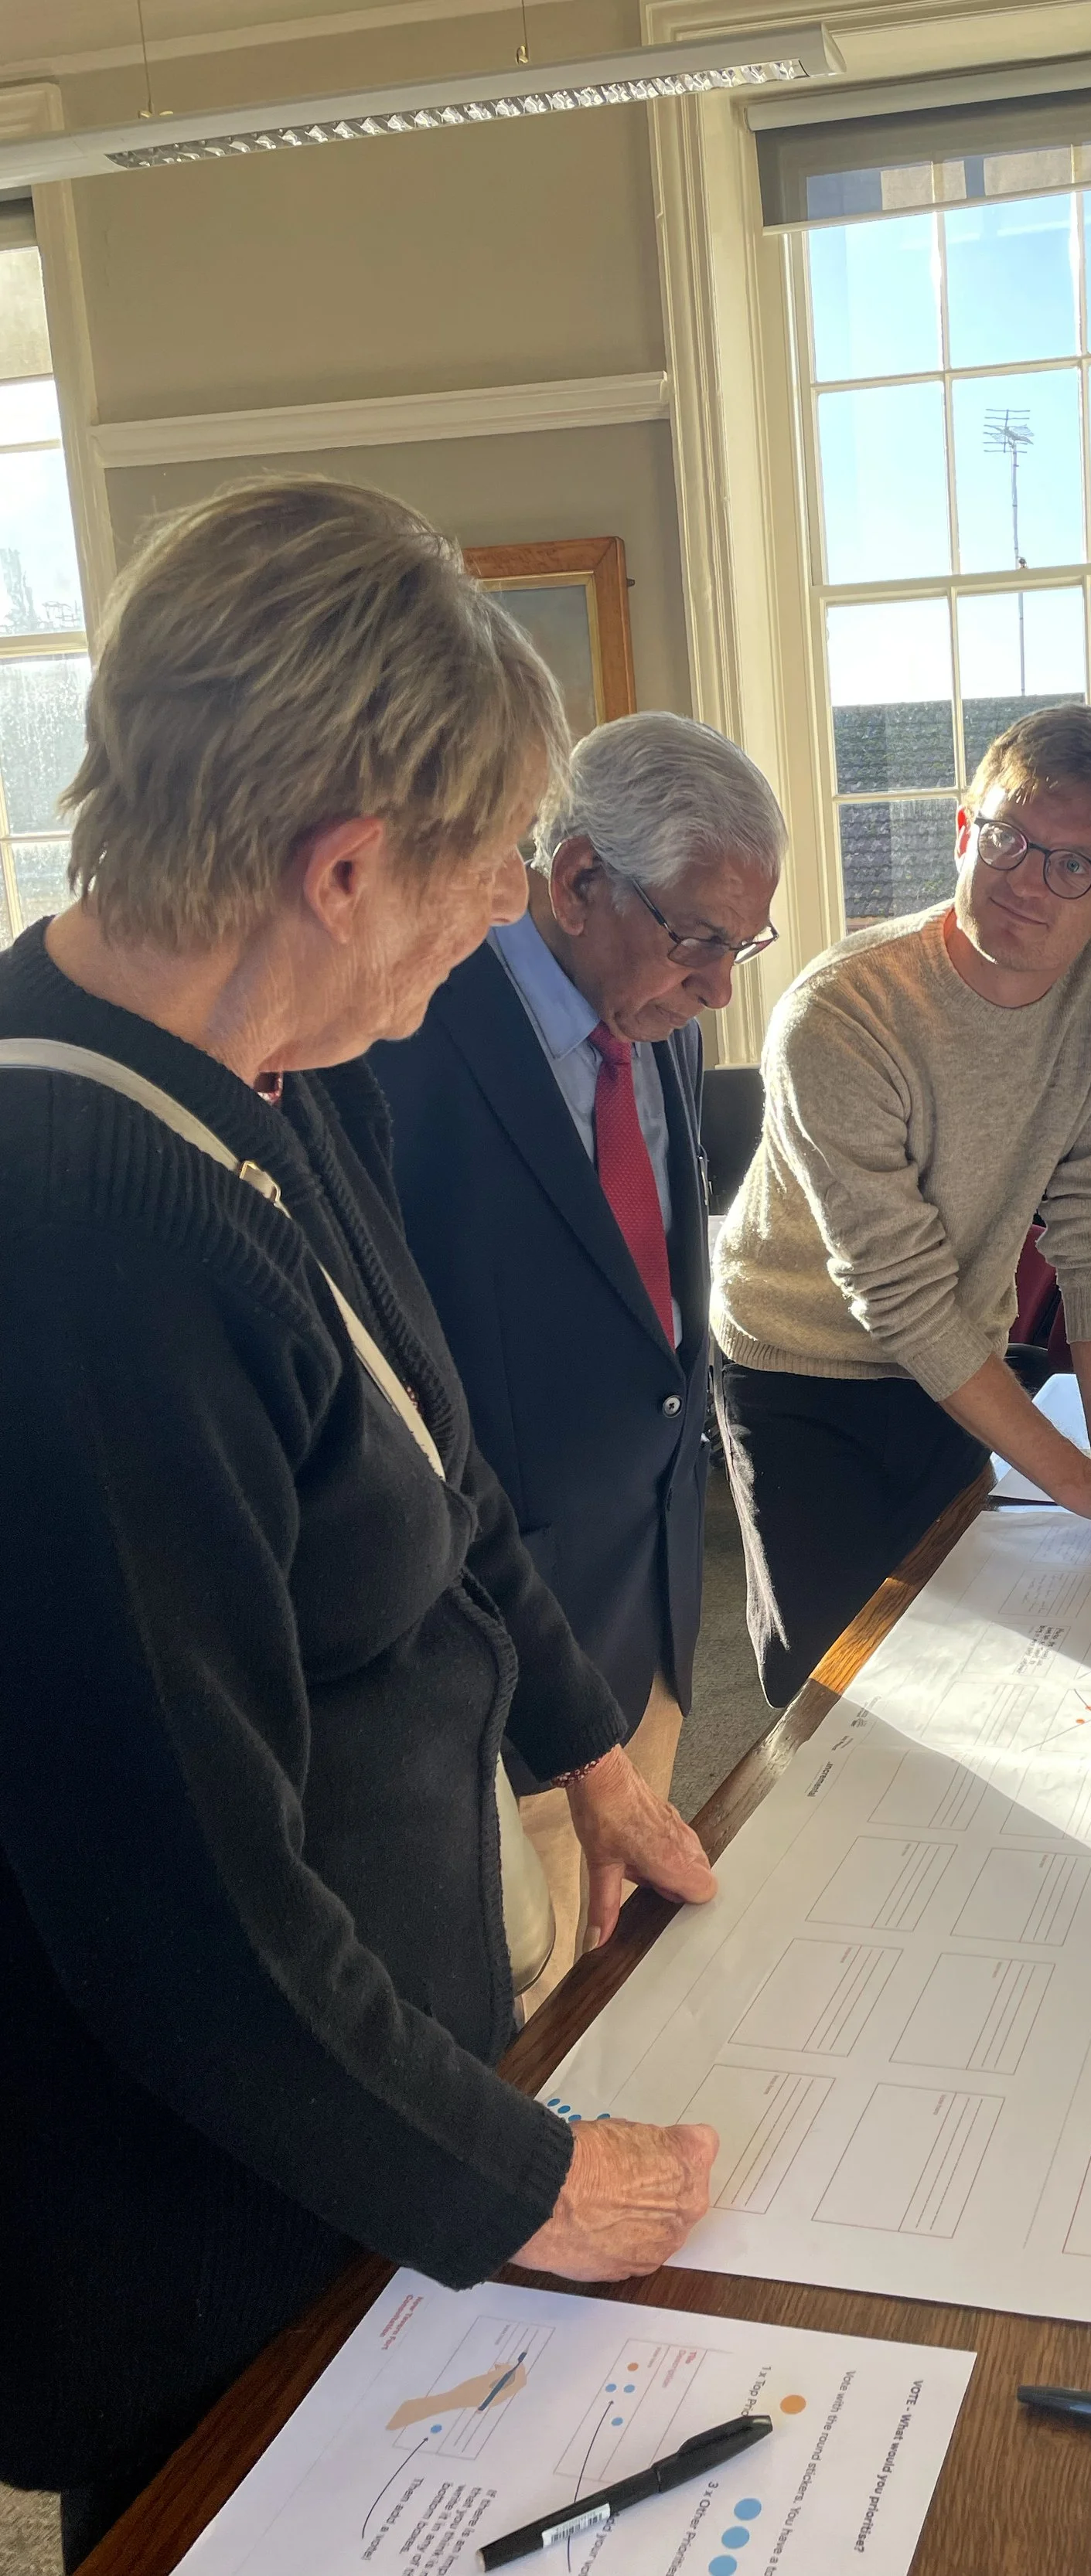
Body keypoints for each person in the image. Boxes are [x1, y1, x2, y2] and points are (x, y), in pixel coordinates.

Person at [0, 478, 720, 2568]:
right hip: (203, 2200)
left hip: (377, 2095)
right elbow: (177, 1914)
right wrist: (534, 2187)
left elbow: (442, 1453)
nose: (498, 915)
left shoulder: (289, 1062)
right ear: (340, 867)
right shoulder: (76, 1232)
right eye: (482, 870)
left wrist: (583, 1746)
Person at [376, 714, 783, 1997]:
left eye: (744, 945)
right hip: (504, 1648)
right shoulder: (404, 1032)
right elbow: (398, 1387)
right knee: (529, 1996)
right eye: (702, 938)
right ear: (578, 882)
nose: (722, 986)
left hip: (657, 1598)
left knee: (626, 1974)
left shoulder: (665, 1015)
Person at [711, 703, 1091, 1707]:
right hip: (794, 1361)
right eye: (1008, 837)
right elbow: (894, 1295)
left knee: (957, 1643)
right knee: (829, 1686)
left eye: (1073, 865)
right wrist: (1079, 1483)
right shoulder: (841, 1010)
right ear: (962, 828)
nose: (1027, 879)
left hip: (957, 1357)